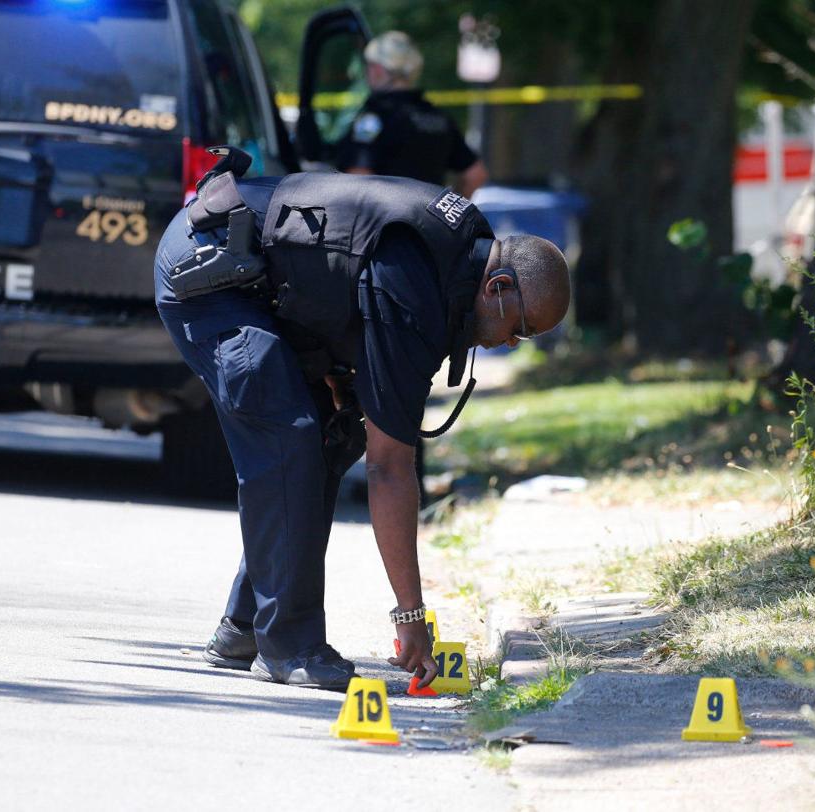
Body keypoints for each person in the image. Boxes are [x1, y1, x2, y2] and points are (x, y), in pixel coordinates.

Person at [154, 147, 569, 690]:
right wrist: (410, 616)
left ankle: (245, 625)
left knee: (332, 436)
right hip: (208, 270)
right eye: (521, 328)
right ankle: (289, 646)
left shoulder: (460, 262)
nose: (512, 343)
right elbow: (389, 469)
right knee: (290, 437)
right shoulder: (419, 284)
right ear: (498, 287)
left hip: (261, 282)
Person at [336, 30, 488, 197]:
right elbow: (475, 175)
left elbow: (358, 175)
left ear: (377, 69)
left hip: (387, 213)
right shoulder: (439, 118)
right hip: (430, 213)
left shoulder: (374, 118)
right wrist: (449, 210)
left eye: (370, 66)